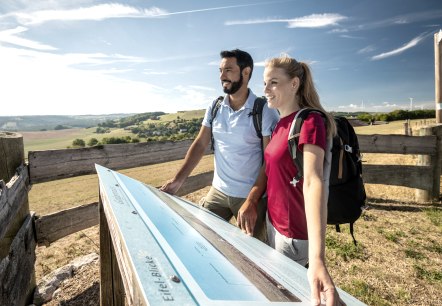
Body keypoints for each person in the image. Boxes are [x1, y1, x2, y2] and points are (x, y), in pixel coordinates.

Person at [238, 54, 345, 306]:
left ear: (294, 84)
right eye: (264, 83)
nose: (265, 90)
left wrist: (318, 258)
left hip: (294, 235)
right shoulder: (280, 124)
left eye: (273, 82)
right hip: (274, 225)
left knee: (290, 297)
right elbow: (270, 168)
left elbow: (313, 181)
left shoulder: (310, 121)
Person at [161, 49, 279, 241]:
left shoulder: (264, 110)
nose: (222, 76)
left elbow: (270, 161)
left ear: (246, 72)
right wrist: (178, 181)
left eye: (228, 70)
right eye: (220, 70)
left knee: (256, 257)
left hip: (251, 197)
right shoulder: (215, 107)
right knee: (200, 239)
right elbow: (200, 144)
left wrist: (252, 200)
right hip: (218, 191)